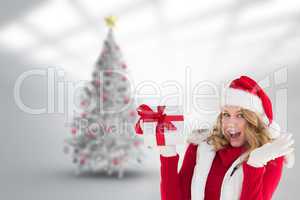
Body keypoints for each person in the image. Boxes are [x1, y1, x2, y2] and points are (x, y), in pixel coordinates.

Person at [159, 76, 295, 200]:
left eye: (240, 115)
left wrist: (255, 165)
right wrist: (167, 154)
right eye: (226, 114)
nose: (230, 123)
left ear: (254, 121)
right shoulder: (201, 146)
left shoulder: (271, 157)